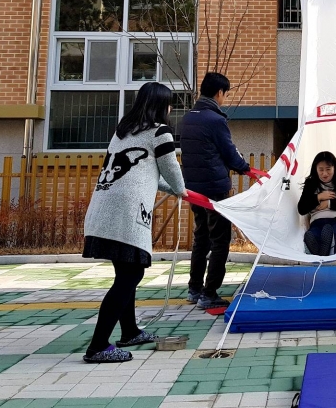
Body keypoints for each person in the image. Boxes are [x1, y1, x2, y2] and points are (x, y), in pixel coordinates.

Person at [82, 81, 185, 363]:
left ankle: (129, 331)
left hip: (104, 207)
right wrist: (182, 189)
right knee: (130, 276)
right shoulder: (159, 132)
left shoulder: (123, 132)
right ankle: (98, 346)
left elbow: (147, 174)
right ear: (160, 105)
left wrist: (175, 188)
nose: (171, 108)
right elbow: (170, 167)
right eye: (170, 103)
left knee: (126, 273)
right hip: (127, 212)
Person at [180, 72, 251, 310]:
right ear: (219, 93)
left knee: (201, 237)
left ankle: (195, 288)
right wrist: (245, 168)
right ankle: (209, 293)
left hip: (193, 187)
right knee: (220, 239)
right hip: (215, 188)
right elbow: (229, 153)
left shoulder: (188, 118)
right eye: (225, 94)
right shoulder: (215, 120)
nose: (225, 99)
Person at [297, 151, 336, 256]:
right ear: (316, 169)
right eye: (321, 170)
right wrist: (319, 197)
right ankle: (320, 250)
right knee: (313, 234)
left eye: (328, 169)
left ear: (334, 168)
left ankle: (330, 247)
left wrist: (329, 203)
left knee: (332, 232)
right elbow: (302, 208)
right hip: (317, 222)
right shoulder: (311, 184)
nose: (325, 173)